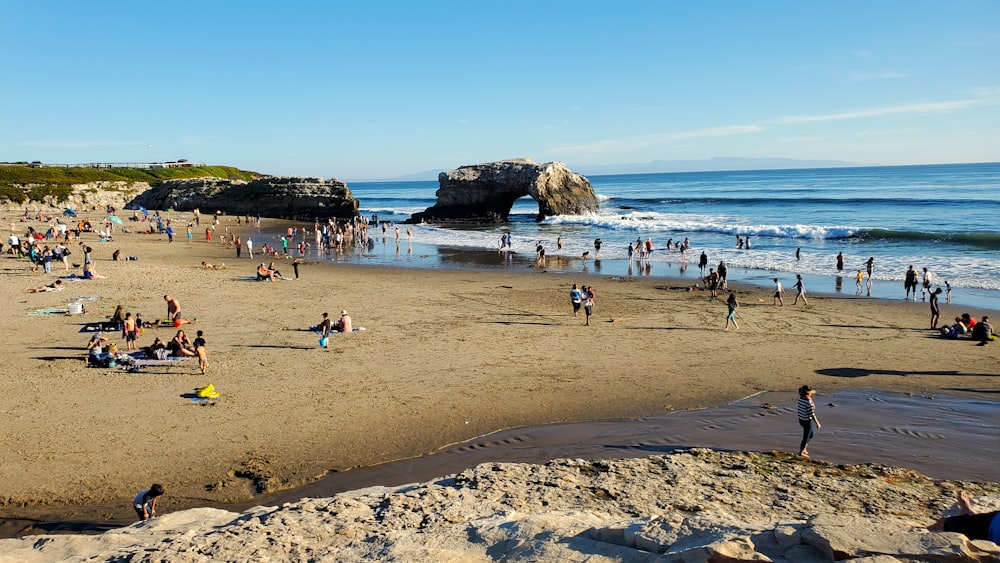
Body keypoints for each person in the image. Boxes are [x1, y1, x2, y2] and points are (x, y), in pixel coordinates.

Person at [927, 491, 1000, 543]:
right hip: (993, 521)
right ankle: (968, 514)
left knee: (944, 523)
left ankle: (924, 532)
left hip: (991, 529)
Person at [796, 385, 821, 457]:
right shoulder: (808, 401)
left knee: (811, 434)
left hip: (801, 419)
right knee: (806, 436)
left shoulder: (801, 398)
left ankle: (804, 449)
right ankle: (801, 452)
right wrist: (817, 423)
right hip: (806, 420)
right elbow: (812, 414)